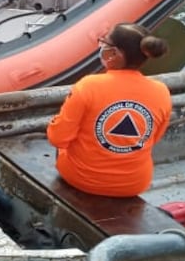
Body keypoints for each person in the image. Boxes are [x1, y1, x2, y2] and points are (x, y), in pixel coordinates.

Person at [45, 23, 172, 197]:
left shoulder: (88, 85)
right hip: (134, 184)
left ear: (114, 53)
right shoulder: (161, 91)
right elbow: (153, 139)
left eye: (104, 42)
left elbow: (57, 138)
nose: (101, 46)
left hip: (81, 179)